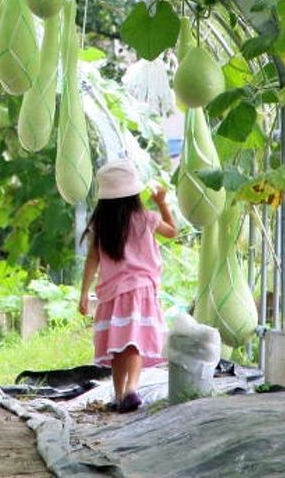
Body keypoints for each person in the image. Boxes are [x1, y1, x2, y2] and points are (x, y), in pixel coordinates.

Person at [78, 159, 178, 412]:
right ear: (134, 194)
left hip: (112, 294)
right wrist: (162, 203)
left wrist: (83, 295)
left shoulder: (100, 225)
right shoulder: (147, 218)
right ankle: (132, 390)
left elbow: (92, 259)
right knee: (134, 343)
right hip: (141, 291)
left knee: (117, 347)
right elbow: (172, 232)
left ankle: (119, 393)